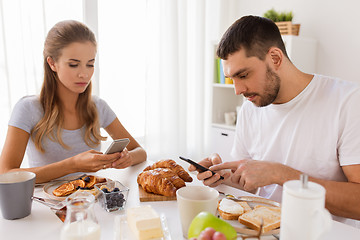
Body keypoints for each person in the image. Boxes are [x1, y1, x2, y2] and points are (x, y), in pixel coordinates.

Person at [190, 15, 360, 226]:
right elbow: (251, 185)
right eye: (231, 79)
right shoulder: (250, 108)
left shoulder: (348, 101)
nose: (237, 90)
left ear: (275, 58)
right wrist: (225, 175)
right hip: (258, 229)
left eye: (243, 75)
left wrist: (282, 175)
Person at [0, 20, 146, 183]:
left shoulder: (98, 106)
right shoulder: (28, 109)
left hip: (90, 202)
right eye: (74, 65)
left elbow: (140, 152)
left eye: (90, 65)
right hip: (45, 205)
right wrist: (73, 165)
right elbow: (5, 173)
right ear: (52, 63)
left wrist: (128, 158)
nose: (84, 74)